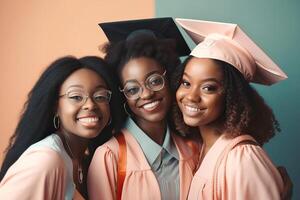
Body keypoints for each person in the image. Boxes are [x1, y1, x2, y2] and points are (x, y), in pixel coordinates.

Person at [173, 18, 288, 199]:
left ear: (232, 96)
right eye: (186, 83)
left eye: (208, 88)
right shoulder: (202, 149)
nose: (191, 96)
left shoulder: (243, 158)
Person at [87, 18, 200, 200]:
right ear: (123, 95)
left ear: (170, 79)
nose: (146, 94)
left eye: (155, 81)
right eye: (132, 89)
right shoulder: (109, 156)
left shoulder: (193, 149)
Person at [0, 56, 123, 199]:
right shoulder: (45, 161)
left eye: (100, 96)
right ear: (55, 106)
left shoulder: (86, 160)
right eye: (76, 96)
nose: (90, 104)